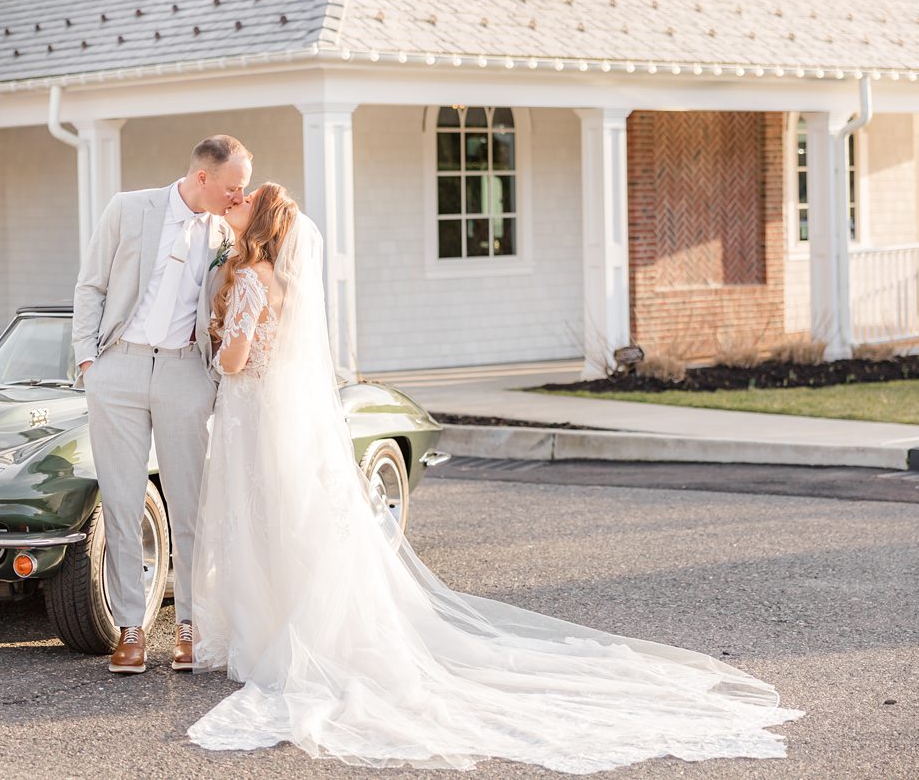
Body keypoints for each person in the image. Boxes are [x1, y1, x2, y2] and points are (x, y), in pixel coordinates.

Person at [187, 182, 802, 773]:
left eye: (245, 199)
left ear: (261, 224)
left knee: (260, 519)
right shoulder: (284, 283)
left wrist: (212, 352)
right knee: (287, 522)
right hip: (278, 417)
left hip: (252, 412)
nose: (235, 203)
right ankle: (278, 630)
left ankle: (265, 635)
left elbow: (238, 358)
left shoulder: (248, 277)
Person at [71, 135, 250, 674]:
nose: (239, 196)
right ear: (203, 178)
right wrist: (88, 363)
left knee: (190, 506)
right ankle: (131, 630)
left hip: (184, 373)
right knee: (123, 506)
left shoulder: (226, 232)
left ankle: (190, 628)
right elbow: (91, 286)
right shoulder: (128, 209)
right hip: (117, 370)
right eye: (232, 186)